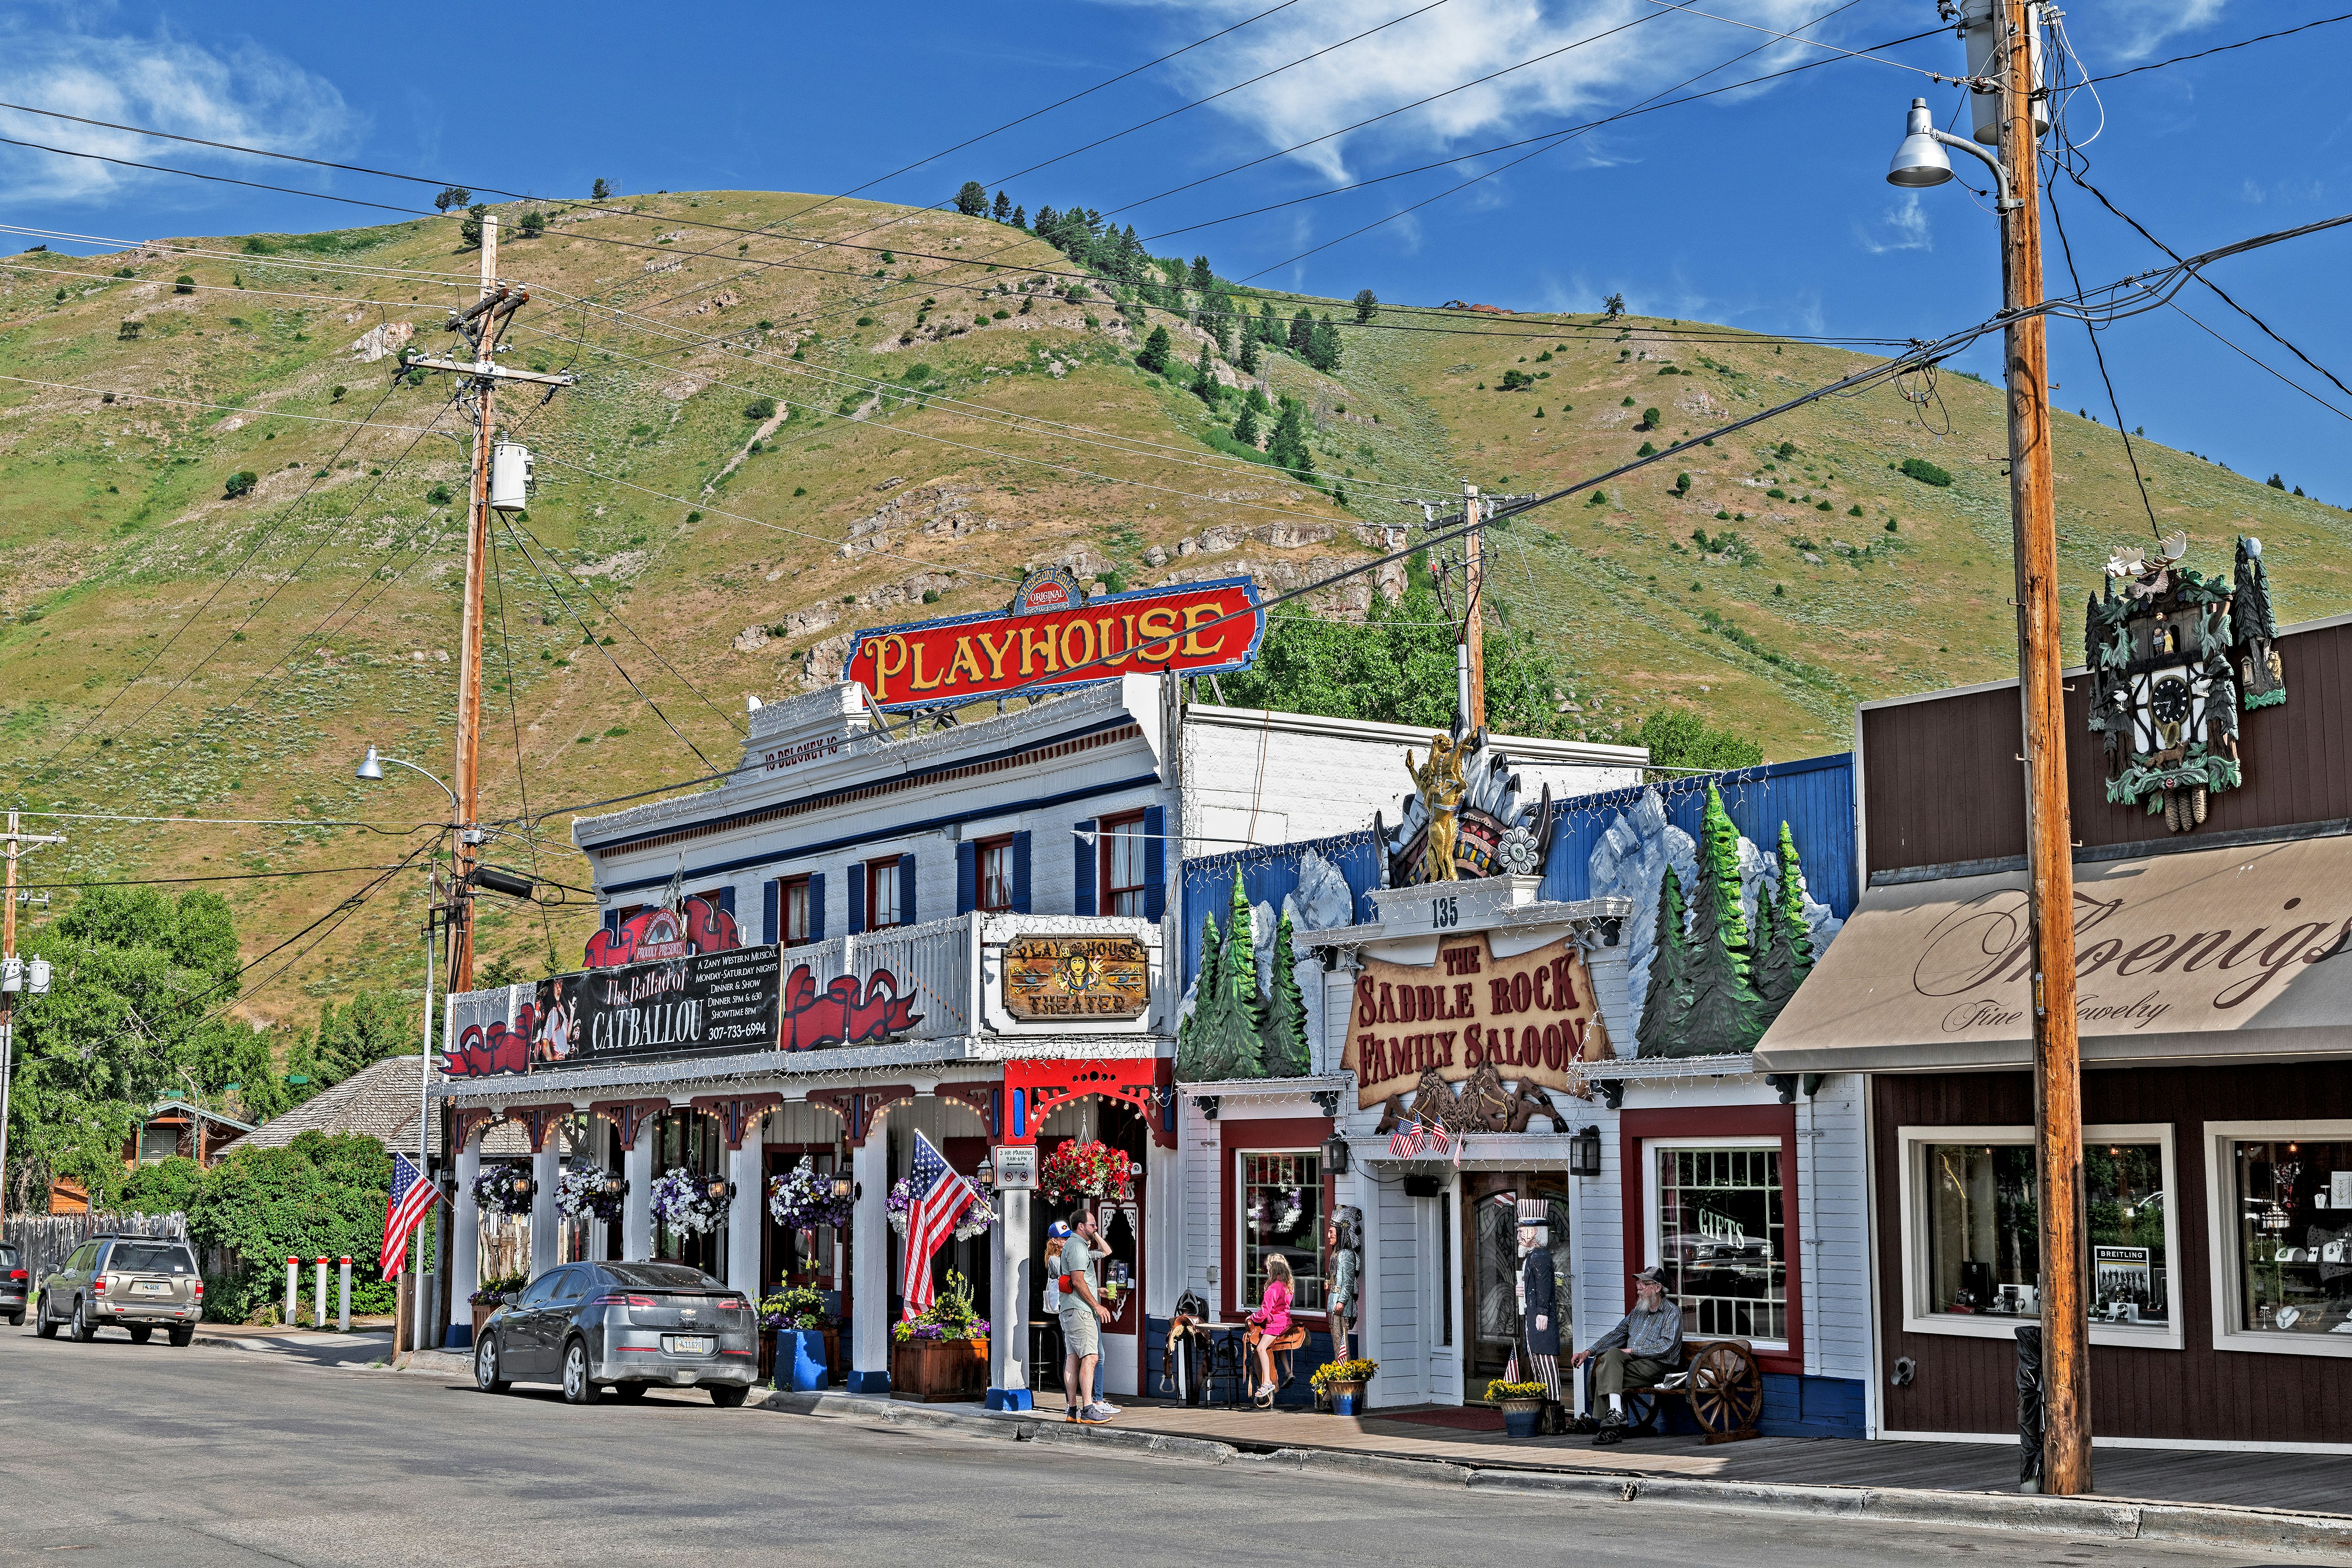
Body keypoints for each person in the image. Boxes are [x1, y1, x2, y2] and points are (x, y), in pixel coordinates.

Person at [1569, 1265, 1683, 1445]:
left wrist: (1631, 1351)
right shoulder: (1638, 1311)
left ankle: (1606, 1422)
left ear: (1658, 1288)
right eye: (1638, 1283)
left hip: (1658, 1367)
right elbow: (1616, 1335)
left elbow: (1666, 1347)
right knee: (1609, 1360)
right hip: (1633, 1366)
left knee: (1606, 1368)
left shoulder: (1671, 1313)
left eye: (1644, 1284)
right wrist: (1588, 1352)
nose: (1639, 1288)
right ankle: (1615, 1417)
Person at [1501, 1200, 1564, 1434]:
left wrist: (1543, 1313)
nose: (1518, 1236)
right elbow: (1535, 1287)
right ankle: (1544, 1417)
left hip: (1540, 1320)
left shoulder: (1540, 1257)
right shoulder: (1531, 1257)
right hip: (1532, 1319)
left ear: (1534, 1232)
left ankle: (1553, 1416)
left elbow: (1546, 1287)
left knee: (1547, 1367)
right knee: (1538, 1365)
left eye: (1521, 1231)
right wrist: (1523, 1290)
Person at [1057, 1207, 1115, 1424]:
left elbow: (1078, 1281)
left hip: (1070, 1309)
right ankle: (1089, 1408)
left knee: (1073, 1358)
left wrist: (1096, 1291)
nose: (1095, 1227)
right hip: (1081, 1311)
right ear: (1081, 1226)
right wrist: (1097, 1306)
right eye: (1092, 1225)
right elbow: (1078, 1280)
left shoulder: (1072, 1245)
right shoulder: (1079, 1247)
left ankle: (1073, 1411)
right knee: (1091, 1357)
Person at [1246, 1254, 1294, 1408]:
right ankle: (1288, 1373)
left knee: (1261, 1348)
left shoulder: (1273, 1288)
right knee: (1279, 1348)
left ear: (1273, 1269)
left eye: (1268, 1269)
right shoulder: (1288, 1285)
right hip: (1286, 1323)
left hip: (1275, 1325)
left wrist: (1253, 1317)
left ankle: (1267, 1382)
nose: (1266, 1271)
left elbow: (1264, 1313)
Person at [1324, 1209, 1361, 1360]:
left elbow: (1348, 1281)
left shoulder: (1346, 1254)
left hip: (1341, 1305)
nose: (1329, 1236)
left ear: (1340, 1233)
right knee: (1336, 1340)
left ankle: (1343, 1374)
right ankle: (1340, 1374)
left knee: (1342, 1342)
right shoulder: (1336, 1253)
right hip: (1334, 1302)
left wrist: (1342, 1301)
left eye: (1332, 1232)